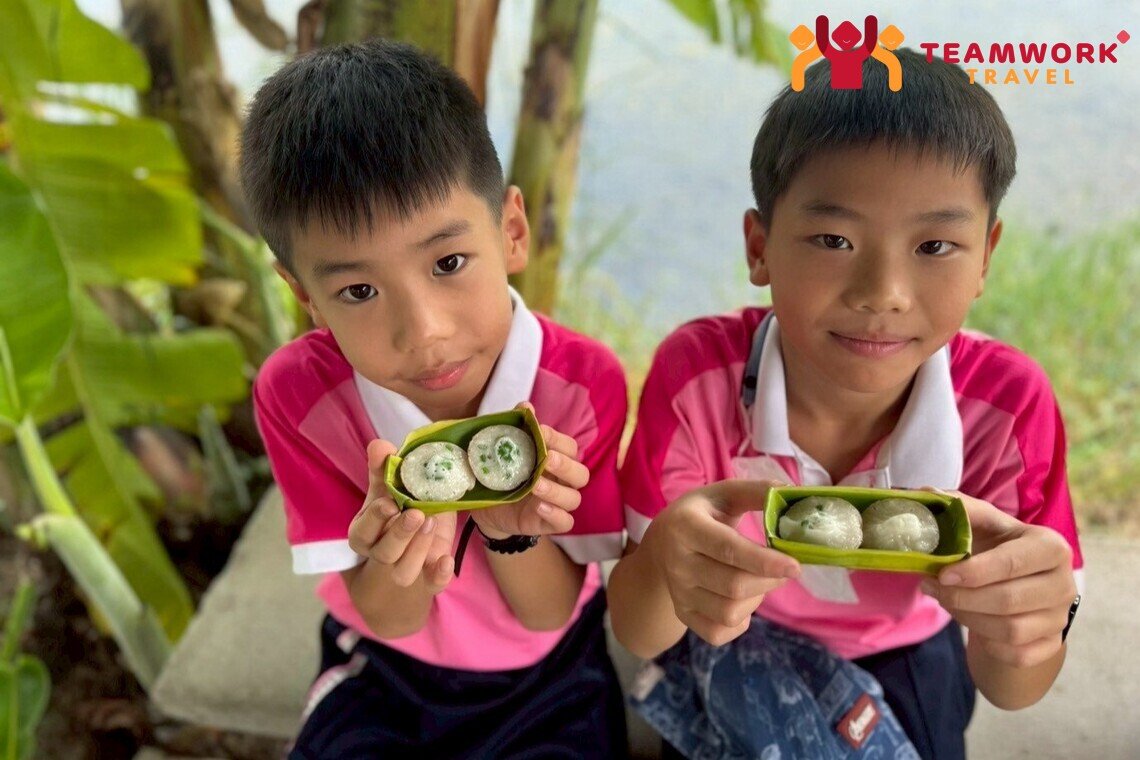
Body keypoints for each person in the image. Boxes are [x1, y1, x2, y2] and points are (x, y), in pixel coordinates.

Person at [608, 48, 1083, 760]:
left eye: (935, 245)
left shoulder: (1005, 409)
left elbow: (1014, 688)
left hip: (909, 653)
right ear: (760, 247)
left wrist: (1031, 626)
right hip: (730, 632)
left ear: (986, 255)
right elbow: (639, 630)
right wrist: (661, 566)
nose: (882, 292)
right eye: (834, 239)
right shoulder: (697, 380)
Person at [242, 39, 628, 758]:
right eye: (359, 290)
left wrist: (509, 530)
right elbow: (388, 618)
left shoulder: (582, 386)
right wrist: (406, 549)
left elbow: (548, 613)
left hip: (550, 677)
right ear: (304, 294)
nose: (423, 333)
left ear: (511, 231)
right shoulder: (300, 397)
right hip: (386, 674)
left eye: (448, 262)